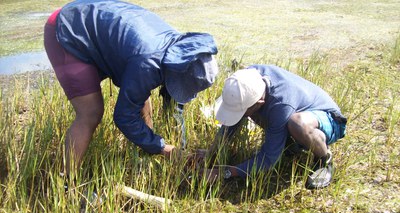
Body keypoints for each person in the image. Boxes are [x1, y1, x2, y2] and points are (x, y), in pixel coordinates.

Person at [43, 0, 219, 182]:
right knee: (90, 112)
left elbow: (174, 105)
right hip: (68, 30)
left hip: (95, 19)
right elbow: (124, 117)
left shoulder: (181, 54)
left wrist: (179, 150)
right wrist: (163, 148)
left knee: (140, 94)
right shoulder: (148, 63)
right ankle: (65, 182)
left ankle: (146, 151)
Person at [205, 65, 347, 189]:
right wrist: (212, 151)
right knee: (259, 114)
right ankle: (289, 145)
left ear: (260, 101)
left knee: (297, 123)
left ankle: (324, 159)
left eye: (243, 111)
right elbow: (233, 119)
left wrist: (224, 172)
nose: (241, 115)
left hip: (330, 120)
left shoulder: (281, 104)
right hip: (289, 112)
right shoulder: (245, 79)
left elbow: (268, 160)